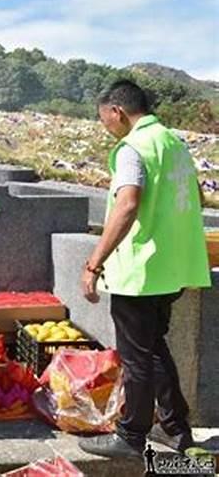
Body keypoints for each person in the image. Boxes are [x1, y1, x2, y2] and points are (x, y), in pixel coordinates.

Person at [78, 80, 210, 459]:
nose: (106, 128)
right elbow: (197, 198)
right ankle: (175, 429)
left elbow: (128, 204)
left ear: (117, 111)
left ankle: (131, 435)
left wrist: (93, 263)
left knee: (137, 357)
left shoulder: (133, 147)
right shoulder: (175, 145)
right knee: (153, 349)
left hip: (140, 270)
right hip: (173, 268)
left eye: (104, 120)